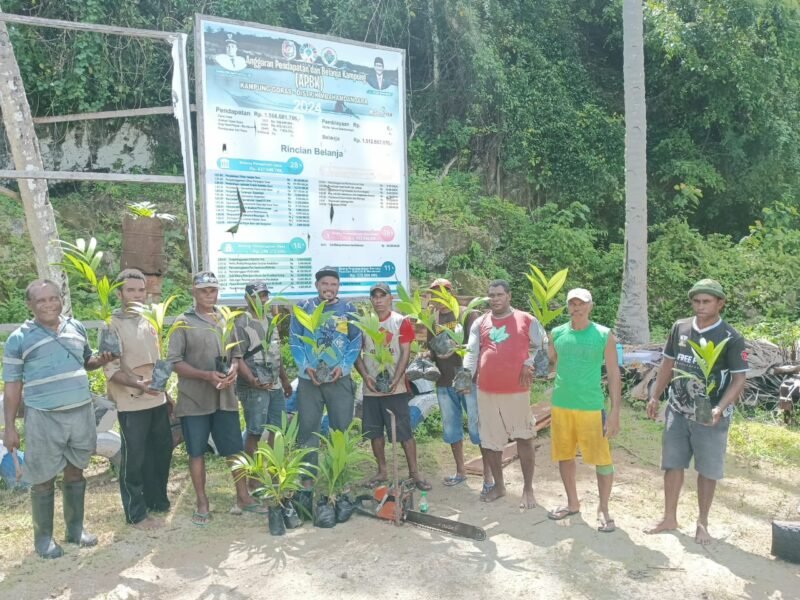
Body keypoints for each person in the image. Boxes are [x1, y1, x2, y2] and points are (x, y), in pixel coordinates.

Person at [2, 279, 114, 558]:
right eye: (41, 300)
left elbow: (85, 362)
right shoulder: (19, 338)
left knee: (76, 469)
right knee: (42, 477)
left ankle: (75, 530)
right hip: (43, 417)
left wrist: (100, 361)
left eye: (53, 298)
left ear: (61, 298)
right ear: (30, 305)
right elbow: (12, 385)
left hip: (80, 413)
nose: (49, 304)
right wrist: (10, 428)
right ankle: (44, 539)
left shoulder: (75, 328)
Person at [646, 278, 748, 544]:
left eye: (707, 301)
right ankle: (669, 517)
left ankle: (702, 523)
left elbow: (739, 379)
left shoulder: (730, 337)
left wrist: (720, 408)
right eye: (696, 301)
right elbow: (668, 363)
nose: (700, 306)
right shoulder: (680, 328)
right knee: (673, 463)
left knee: (707, 469)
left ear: (720, 303)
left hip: (710, 415)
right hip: (678, 408)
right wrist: (656, 396)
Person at [167, 271, 265, 526]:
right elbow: (175, 362)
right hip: (195, 400)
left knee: (234, 449)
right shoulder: (183, 322)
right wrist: (206, 375)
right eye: (203, 290)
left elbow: (236, 355)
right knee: (196, 451)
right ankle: (202, 501)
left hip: (225, 398)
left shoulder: (225, 318)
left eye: (212, 290)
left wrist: (233, 371)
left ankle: (243, 496)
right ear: (194, 292)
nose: (209, 295)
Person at [462, 280, 546, 508]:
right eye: (491, 295)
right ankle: (499, 486)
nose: (495, 299)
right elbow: (471, 352)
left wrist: (529, 363)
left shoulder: (526, 319)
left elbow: (543, 346)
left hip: (517, 391)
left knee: (524, 437)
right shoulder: (480, 322)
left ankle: (528, 489)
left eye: (499, 295)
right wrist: (464, 375)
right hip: (486, 390)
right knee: (490, 442)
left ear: (509, 296)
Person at [546, 288, 622, 532]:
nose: (577, 308)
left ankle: (604, 508)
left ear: (590, 306)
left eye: (582, 304)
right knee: (564, 455)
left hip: (591, 407)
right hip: (562, 406)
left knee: (602, 459)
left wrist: (614, 412)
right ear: (568, 306)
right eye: (572, 303)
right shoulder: (556, 333)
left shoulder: (603, 335)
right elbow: (551, 363)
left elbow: (613, 374)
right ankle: (572, 502)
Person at [104, 269, 173, 529]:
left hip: (156, 399)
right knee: (135, 457)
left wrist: (165, 393)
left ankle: (157, 501)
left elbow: (158, 361)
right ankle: (136, 513)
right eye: (130, 290)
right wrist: (139, 385)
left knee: (162, 452)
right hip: (131, 401)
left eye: (140, 290)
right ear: (120, 293)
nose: (136, 295)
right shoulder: (111, 324)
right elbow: (111, 370)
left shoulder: (150, 320)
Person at [355, 283, 430, 490]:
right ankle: (382, 471)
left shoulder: (400, 322)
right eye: (374, 296)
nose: (378, 300)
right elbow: (355, 354)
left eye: (383, 295)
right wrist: (366, 376)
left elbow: (405, 353)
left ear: (391, 298)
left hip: (396, 388)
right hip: (371, 388)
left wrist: (397, 379)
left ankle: (415, 473)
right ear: (371, 300)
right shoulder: (364, 323)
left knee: (404, 431)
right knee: (375, 432)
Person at [289, 267, 361, 477]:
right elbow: (295, 340)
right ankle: (308, 476)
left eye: (333, 284)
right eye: (324, 284)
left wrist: (344, 367)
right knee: (308, 428)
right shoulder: (304, 307)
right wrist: (305, 367)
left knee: (340, 429)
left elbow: (355, 341)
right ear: (317, 285)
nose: (329, 288)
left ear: (338, 287)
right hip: (309, 380)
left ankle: (338, 473)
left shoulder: (348, 309)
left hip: (340, 379)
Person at [426, 278, 493, 495]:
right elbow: (431, 348)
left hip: (468, 382)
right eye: (435, 294)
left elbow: (478, 346)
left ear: (451, 292)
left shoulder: (466, 314)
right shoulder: (432, 318)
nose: (439, 297)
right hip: (444, 381)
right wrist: (427, 356)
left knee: (477, 428)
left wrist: (458, 349)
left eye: (443, 292)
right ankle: (461, 471)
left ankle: (488, 476)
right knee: (451, 429)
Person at [234, 280, 293, 485]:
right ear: (248, 299)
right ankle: (254, 478)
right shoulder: (242, 322)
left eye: (265, 295)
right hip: (253, 387)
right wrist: (252, 380)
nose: (263, 299)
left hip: (274, 385)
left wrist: (285, 381)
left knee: (277, 431)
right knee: (255, 431)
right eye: (258, 295)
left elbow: (276, 354)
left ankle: (276, 475)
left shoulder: (270, 319)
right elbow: (237, 357)